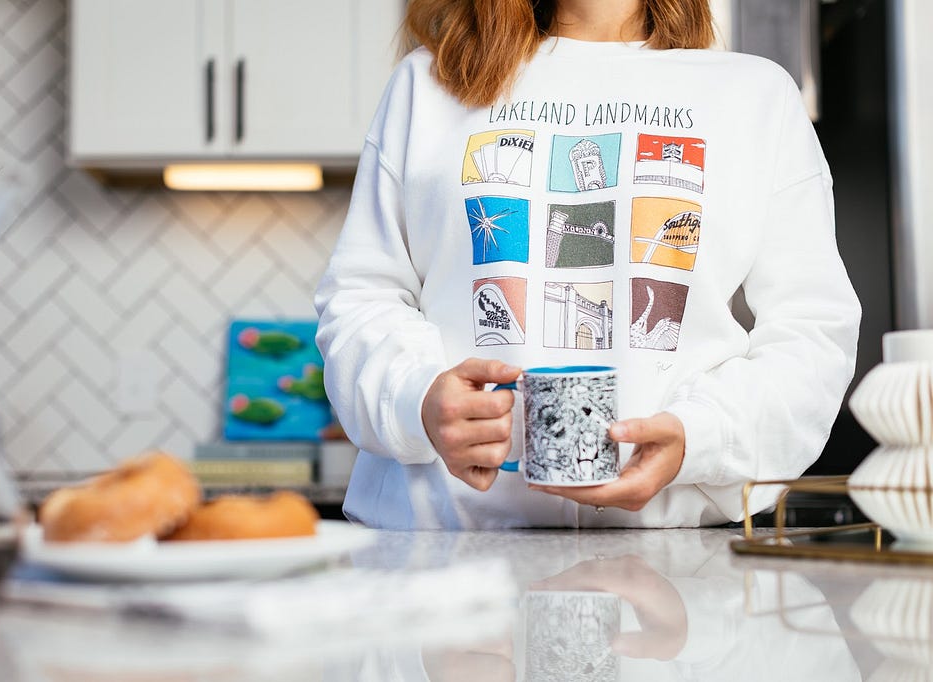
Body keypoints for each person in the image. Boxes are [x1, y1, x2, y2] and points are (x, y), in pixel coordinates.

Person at [314, 0, 861, 529]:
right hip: (446, 555)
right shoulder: (426, 86)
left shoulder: (755, 97)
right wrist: (418, 398)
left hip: (679, 566)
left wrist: (700, 437)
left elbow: (812, 332)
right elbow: (362, 300)